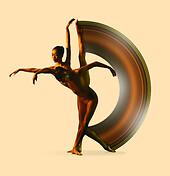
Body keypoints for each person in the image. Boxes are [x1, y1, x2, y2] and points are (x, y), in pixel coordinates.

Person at [9, 19, 116, 155]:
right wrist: (23, 70)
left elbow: (71, 48)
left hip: (89, 97)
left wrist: (67, 29)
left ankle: (79, 147)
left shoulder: (71, 69)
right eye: (52, 55)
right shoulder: (55, 70)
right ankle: (87, 146)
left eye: (55, 55)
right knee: (82, 126)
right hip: (80, 98)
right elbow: (37, 68)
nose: (53, 57)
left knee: (83, 125)